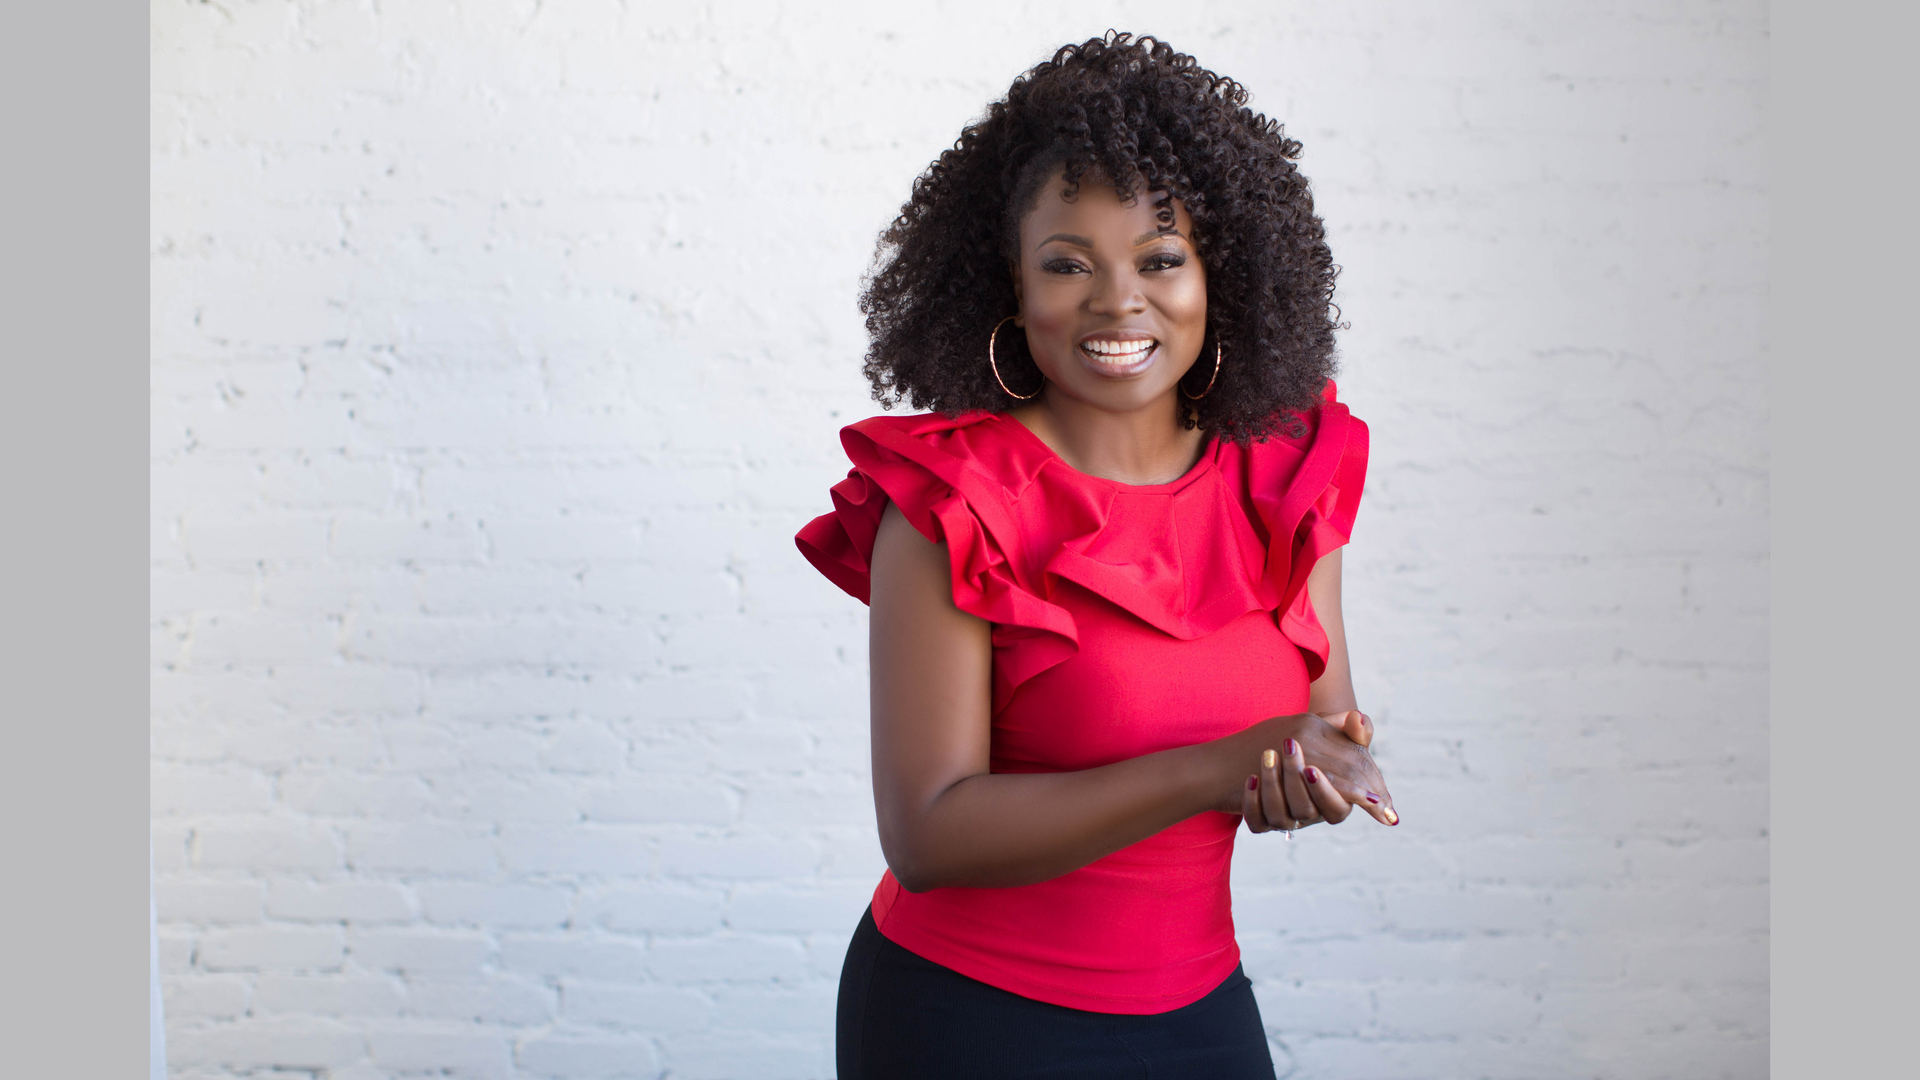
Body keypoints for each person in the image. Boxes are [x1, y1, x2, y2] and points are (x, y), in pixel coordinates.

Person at [795, 32, 1397, 1079]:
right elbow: (928, 834)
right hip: (969, 1021)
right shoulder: (952, 505)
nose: (1119, 300)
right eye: (1067, 265)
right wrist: (1217, 766)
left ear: (1223, 277)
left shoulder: (1285, 481)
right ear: (1008, 289)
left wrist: (1316, 766)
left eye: (1161, 260)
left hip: (1200, 1007)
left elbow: (1316, 717)